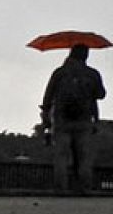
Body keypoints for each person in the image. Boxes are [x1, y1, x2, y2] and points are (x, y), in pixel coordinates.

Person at [39, 44, 107, 194]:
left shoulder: (60, 73)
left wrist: (46, 117)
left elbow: (48, 96)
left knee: (61, 156)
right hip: (84, 120)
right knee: (83, 156)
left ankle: (61, 187)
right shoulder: (92, 73)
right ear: (86, 56)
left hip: (62, 119)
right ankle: (84, 187)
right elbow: (101, 94)